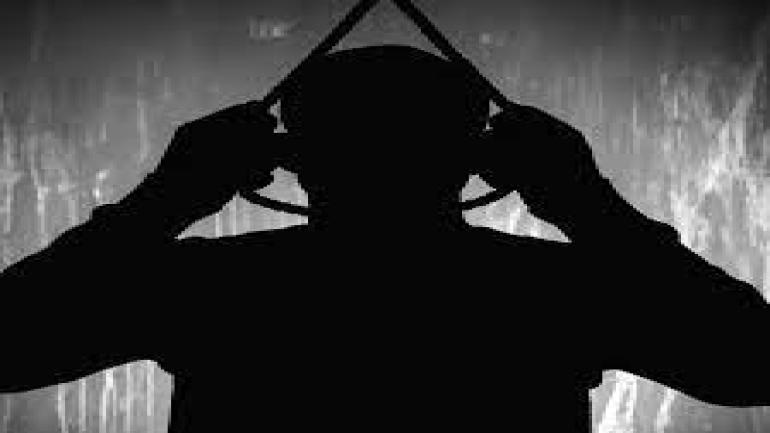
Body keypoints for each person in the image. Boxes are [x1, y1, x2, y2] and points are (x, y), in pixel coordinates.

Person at [0, 45, 767, 432]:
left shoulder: (211, 284)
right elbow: (748, 363)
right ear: (472, 158)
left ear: (294, 158)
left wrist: (164, 199)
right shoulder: (557, 288)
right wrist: (587, 203)